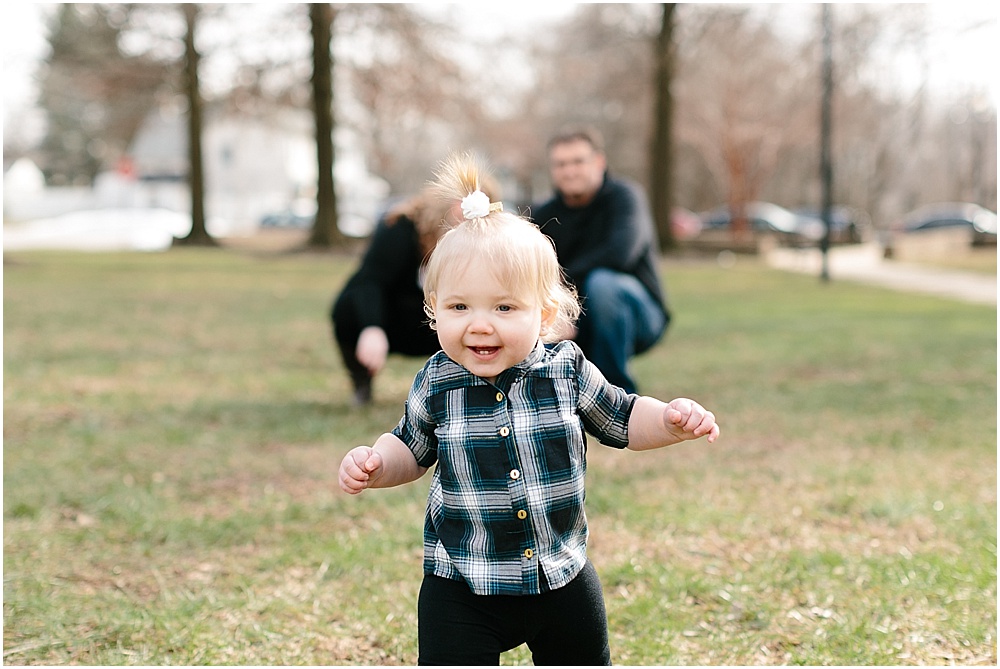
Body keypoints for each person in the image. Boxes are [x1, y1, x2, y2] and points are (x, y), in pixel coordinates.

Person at [338, 153, 720, 666]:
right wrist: (377, 463)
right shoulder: (437, 380)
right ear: (434, 311)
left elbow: (624, 418)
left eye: (503, 307)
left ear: (543, 315)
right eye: (458, 307)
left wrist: (671, 420)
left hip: (560, 575)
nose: (479, 324)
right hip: (462, 585)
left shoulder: (565, 369)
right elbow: (409, 444)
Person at [330, 178, 499, 405]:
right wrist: (372, 327)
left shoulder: (484, 243)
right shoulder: (401, 227)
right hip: (400, 315)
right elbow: (371, 280)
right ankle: (361, 381)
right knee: (347, 308)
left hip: (448, 319)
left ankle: (469, 387)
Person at [530, 125, 670, 394]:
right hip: (570, 315)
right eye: (560, 164)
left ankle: (616, 395)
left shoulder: (625, 198)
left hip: (638, 315)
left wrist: (561, 302)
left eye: (578, 161)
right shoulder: (543, 214)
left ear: (599, 162)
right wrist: (554, 313)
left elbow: (620, 254)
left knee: (603, 283)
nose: (569, 171)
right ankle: (546, 398)